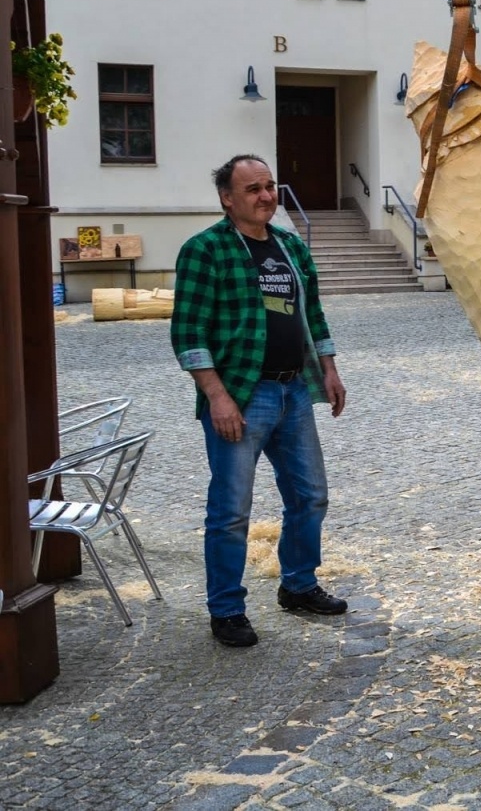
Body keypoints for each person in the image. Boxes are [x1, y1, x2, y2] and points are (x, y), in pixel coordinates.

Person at [170, 154, 349, 648]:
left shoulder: (290, 246)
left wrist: (329, 371)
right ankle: (226, 609)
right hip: (242, 396)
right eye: (253, 189)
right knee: (231, 512)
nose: (266, 196)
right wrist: (218, 398)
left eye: (270, 186)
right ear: (227, 198)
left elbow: (312, 314)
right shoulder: (205, 250)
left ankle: (298, 585)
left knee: (310, 496)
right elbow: (187, 333)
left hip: (294, 389)